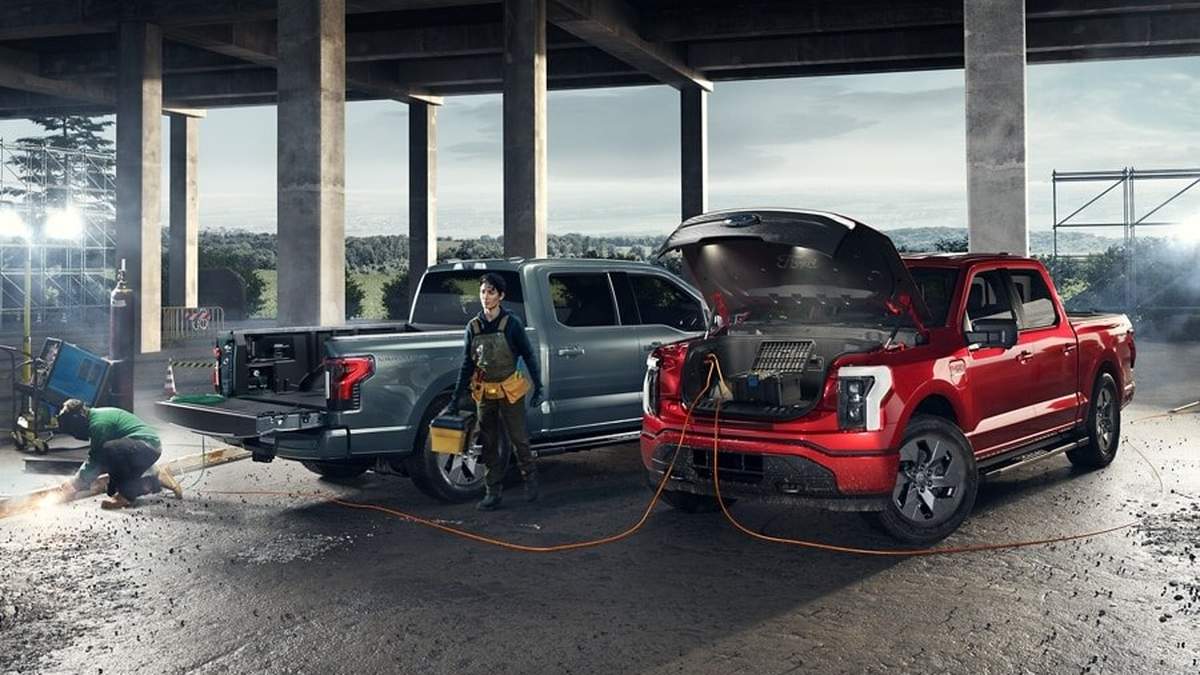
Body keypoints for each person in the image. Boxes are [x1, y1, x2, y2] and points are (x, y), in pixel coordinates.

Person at [447, 273, 544, 510]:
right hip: (485, 392)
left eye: (491, 292)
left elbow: (529, 355)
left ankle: (530, 478)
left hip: (510, 389)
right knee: (488, 442)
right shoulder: (473, 327)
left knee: (519, 439)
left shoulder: (512, 324)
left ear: (501, 296)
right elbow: (467, 364)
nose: (486, 296)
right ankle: (493, 491)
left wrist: (538, 386)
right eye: (483, 292)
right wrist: (455, 399)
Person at [55, 399, 184, 509]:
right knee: (112, 489)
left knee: (110, 450)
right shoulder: (95, 416)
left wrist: (74, 484)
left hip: (148, 446)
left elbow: (95, 459)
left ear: (79, 418)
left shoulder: (99, 424)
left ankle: (125, 497)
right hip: (139, 448)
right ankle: (155, 479)